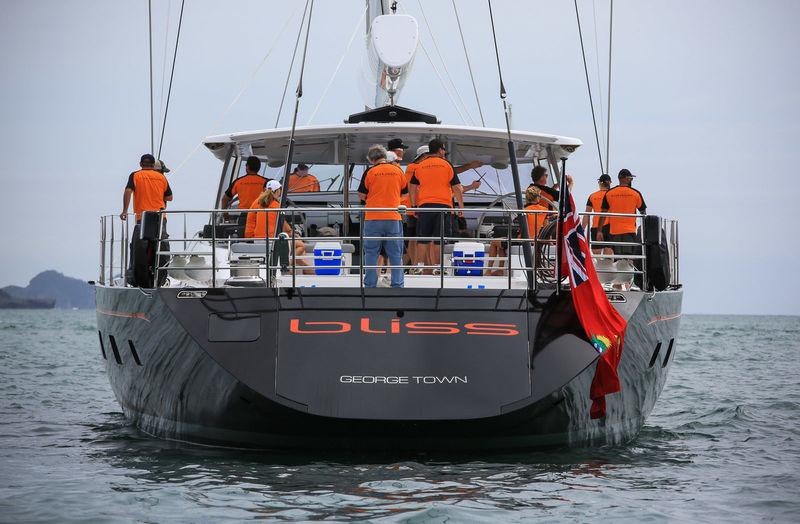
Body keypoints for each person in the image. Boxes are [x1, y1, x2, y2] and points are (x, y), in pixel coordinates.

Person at [409, 138, 463, 274]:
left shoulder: (420, 165)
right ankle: (438, 267)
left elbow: (412, 186)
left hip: (425, 205)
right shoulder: (446, 165)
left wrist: (414, 205)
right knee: (439, 239)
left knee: (423, 238)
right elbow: (457, 188)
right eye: (444, 149)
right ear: (440, 150)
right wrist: (460, 207)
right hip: (443, 206)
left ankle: (419, 266)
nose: (444, 151)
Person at [357, 144, 407, 288]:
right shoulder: (398, 171)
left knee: (372, 253)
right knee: (396, 254)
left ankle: (370, 284)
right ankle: (398, 284)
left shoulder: (370, 172)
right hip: (393, 217)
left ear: (371, 159)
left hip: (373, 217)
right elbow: (405, 194)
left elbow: (361, 194)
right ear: (385, 156)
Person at [244, 180, 311, 272]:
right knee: (301, 246)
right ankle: (286, 265)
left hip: (257, 240)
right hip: (273, 242)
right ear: (278, 190)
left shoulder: (258, 203)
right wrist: (294, 233)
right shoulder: (276, 206)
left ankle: (295, 267)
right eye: (280, 189)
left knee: (298, 253)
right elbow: (285, 227)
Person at [488, 186, 551, 276]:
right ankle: (500, 270)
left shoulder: (524, 210)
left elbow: (520, 226)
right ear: (537, 197)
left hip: (521, 241)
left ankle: (488, 271)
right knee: (501, 243)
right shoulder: (544, 210)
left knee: (494, 242)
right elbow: (547, 228)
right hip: (534, 240)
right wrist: (549, 241)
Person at [598, 168, 647, 257]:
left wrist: (599, 231)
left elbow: (603, 213)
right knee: (628, 257)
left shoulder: (609, 193)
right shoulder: (635, 193)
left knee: (617, 257)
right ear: (626, 179)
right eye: (630, 178)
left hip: (614, 231)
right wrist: (644, 231)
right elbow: (643, 212)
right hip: (629, 231)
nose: (631, 180)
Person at [121, 153, 173, 222]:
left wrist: (125, 211)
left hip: (143, 216)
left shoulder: (135, 175)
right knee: (160, 233)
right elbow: (169, 197)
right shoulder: (162, 177)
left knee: (141, 233)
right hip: (160, 216)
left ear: (140, 164)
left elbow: (128, 191)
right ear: (153, 164)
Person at [220, 156, 268, 222]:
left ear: (247, 166)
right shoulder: (265, 182)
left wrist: (225, 213)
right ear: (258, 168)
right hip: (260, 215)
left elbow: (224, 199)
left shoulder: (238, 182)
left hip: (244, 216)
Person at [583, 174, 613, 255]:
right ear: (610, 183)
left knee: (596, 251)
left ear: (599, 183)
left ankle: (599, 265)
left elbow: (587, 214)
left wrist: (582, 228)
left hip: (596, 226)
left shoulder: (592, 196)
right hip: (610, 226)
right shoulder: (612, 195)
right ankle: (608, 265)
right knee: (609, 249)